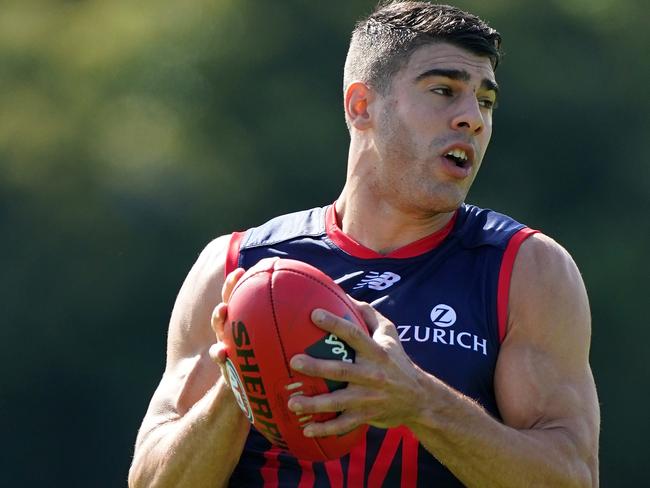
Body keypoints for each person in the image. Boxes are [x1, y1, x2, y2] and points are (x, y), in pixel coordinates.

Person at [128, 2, 600, 486]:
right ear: (361, 106)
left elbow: (573, 478)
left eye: (485, 101)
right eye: (443, 91)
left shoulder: (526, 269)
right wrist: (243, 382)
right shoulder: (236, 268)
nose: (472, 119)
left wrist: (420, 402)